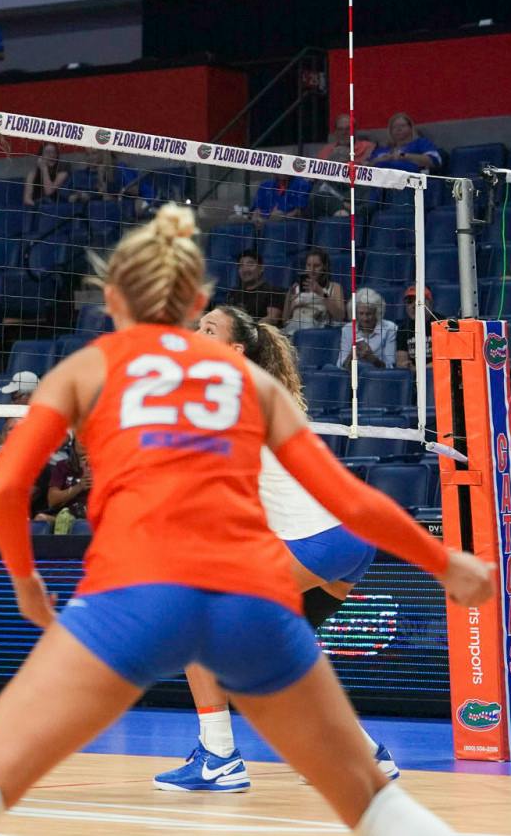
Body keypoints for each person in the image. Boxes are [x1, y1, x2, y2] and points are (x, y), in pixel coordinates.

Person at [0, 207, 489, 836]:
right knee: (378, 807)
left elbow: (3, 490)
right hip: (249, 594)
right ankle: (246, 756)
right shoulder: (253, 385)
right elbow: (352, 500)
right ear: (197, 299)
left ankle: (216, 755)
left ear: (110, 298)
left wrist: (25, 581)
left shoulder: (88, 369)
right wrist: (443, 561)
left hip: (138, 590)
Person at [155, 305, 400, 793]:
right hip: (350, 538)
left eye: (208, 329)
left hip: (322, 541)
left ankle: (218, 757)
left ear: (234, 351)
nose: (195, 332)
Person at [283, 249, 345, 332]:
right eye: (308, 265)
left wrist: (321, 293)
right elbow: (284, 321)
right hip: (293, 330)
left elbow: (340, 316)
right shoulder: (294, 288)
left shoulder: (335, 287)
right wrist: (291, 306)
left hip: (316, 332)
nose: (311, 270)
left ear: (324, 267)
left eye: (316, 266)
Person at [341, 288, 400, 370]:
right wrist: (352, 354)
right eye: (361, 313)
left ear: (377, 313)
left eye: (369, 314)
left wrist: (372, 359)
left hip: (379, 378)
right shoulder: (347, 329)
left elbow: (390, 366)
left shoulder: (390, 329)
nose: (365, 318)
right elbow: (341, 366)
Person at [221, 250, 283, 324]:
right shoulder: (233, 293)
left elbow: (272, 319)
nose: (245, 269)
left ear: (261, 268)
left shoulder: (273, 291)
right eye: (241, 265)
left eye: (250, 264)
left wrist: (249, 331)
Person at [366, 112, 441, 174]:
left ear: (411, 128)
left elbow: (434, 161)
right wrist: (378, 160)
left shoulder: (421, 143)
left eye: (402, 126)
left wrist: (403, 156)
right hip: (380, 186)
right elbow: (365, 167)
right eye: (394, 127)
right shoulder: (382, 149)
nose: (398, 129)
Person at [21, 143, 72, 208]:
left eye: (54, 152)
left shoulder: (63, 168)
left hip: (56, 206)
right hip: (39, 207)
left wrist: (44, 169)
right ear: (41, 157)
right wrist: (37, 208)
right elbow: (27, 199)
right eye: (48, 153)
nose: (52, 155)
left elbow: (49, 192)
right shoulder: (33, 173)